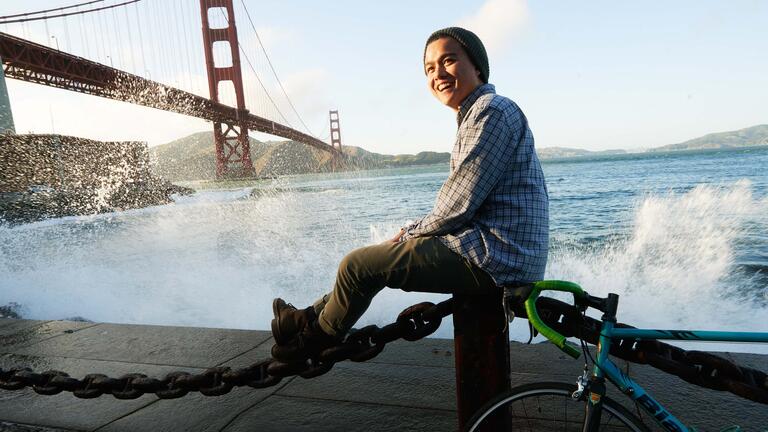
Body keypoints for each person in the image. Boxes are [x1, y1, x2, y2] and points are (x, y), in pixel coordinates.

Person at [270, 27, 549, 363]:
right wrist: (412, 232)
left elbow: (458, 205)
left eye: (448, 61)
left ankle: (313, 343)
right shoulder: (478, 114)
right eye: (430, 68)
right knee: (375, 261)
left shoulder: (491, 111)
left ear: (477, 67)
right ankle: (304, 317)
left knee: (357, 265)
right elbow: (461, 204)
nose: (438, 74)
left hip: (498, 258)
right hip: (494, 249)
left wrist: (411, 232)